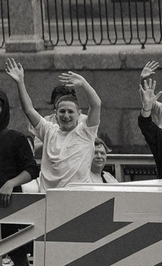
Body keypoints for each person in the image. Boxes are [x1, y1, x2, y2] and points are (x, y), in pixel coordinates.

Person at [7, 61, 104, 189]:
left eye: (70, 112)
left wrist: (84, 83)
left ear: (79, 114)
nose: (66, 115)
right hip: (49, 199)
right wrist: (20, 82)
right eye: (62, 111)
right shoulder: (48, 130)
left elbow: (96, 104)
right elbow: (28, 110)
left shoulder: (86, 131)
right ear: (56, 114)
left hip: (80, 199)